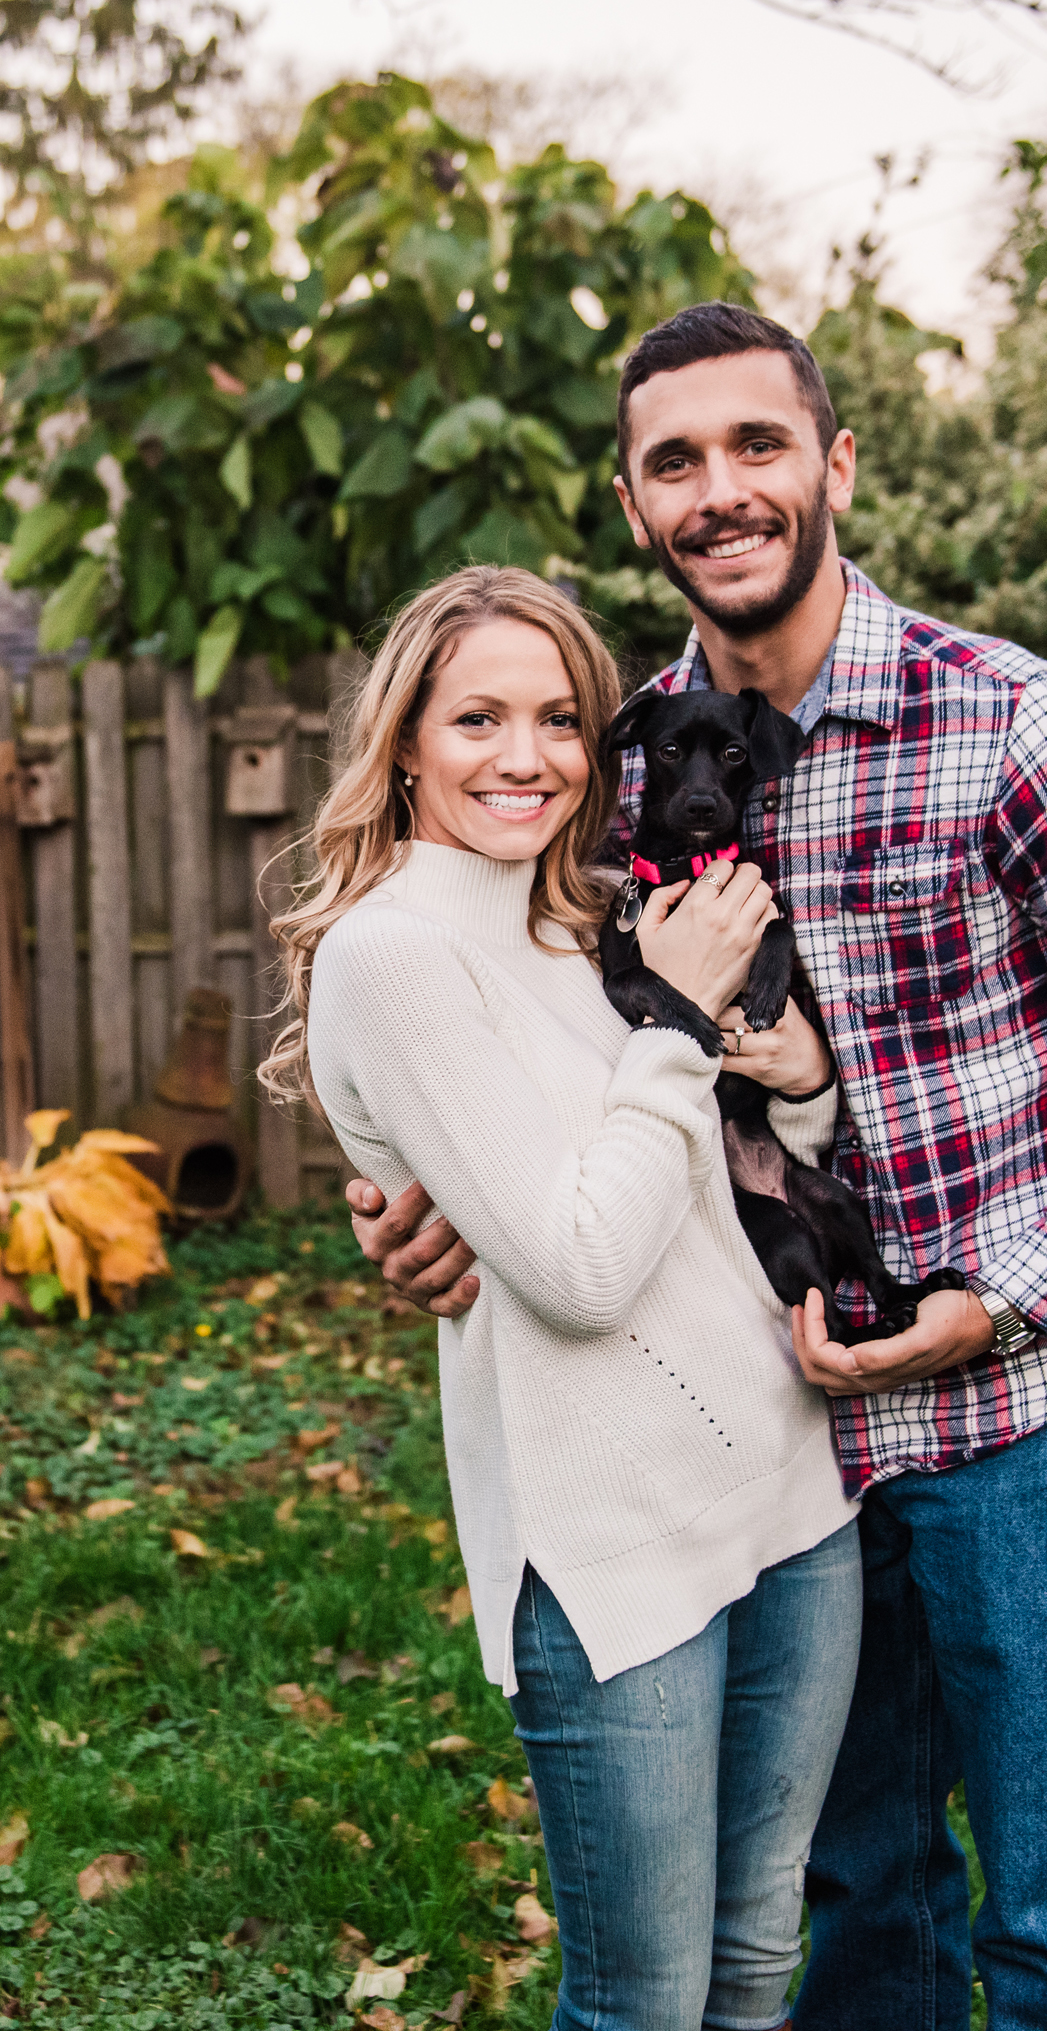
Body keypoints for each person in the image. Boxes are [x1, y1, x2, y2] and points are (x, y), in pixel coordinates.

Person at [346, 305, 1047, 2030]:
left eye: (758, 446)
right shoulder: (608, 770)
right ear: (636, 506)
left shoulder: (1011, 719)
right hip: (787, 1446)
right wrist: (416, 1202)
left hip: (1037, 1418)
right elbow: (494, 1035)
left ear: (836, 464)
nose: (722, 492)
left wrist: (1000, 1300)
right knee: (859, 1908)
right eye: (676, 463)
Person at [259, 563, 865, 2031]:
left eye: (559, 721)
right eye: (477, 719)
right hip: (611, 1554)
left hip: (792, 1493)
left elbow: (729, 1179)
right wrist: (679, 1017)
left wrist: (795, 1082)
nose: (524, 759)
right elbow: (585, 1270)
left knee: (757, 1967)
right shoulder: (395, 956)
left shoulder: (594, 912)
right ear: (405, 740)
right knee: (646, 2002)